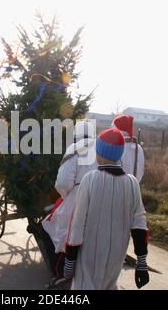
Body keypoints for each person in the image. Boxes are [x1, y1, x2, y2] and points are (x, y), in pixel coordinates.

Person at [63, 127, 150, 290]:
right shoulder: (132, 184)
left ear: (100, 154)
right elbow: (140, 226)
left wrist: (70, 261)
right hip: (115, 260)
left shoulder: (90, 180)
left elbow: (77, 224)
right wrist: (142, 264)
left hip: (89, 258)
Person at [41, 120, 97, 282]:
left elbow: (63, 182)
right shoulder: (101, 148)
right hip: (101, 201)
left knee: (50, 228)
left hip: (77, 201)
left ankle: (60, 272)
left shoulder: (75, 150)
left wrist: (66, 196)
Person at [112, 115, 145, 182]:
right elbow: (141, 170)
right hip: (134, 187)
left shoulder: (115, 147)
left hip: (117, 187)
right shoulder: (138, 147)